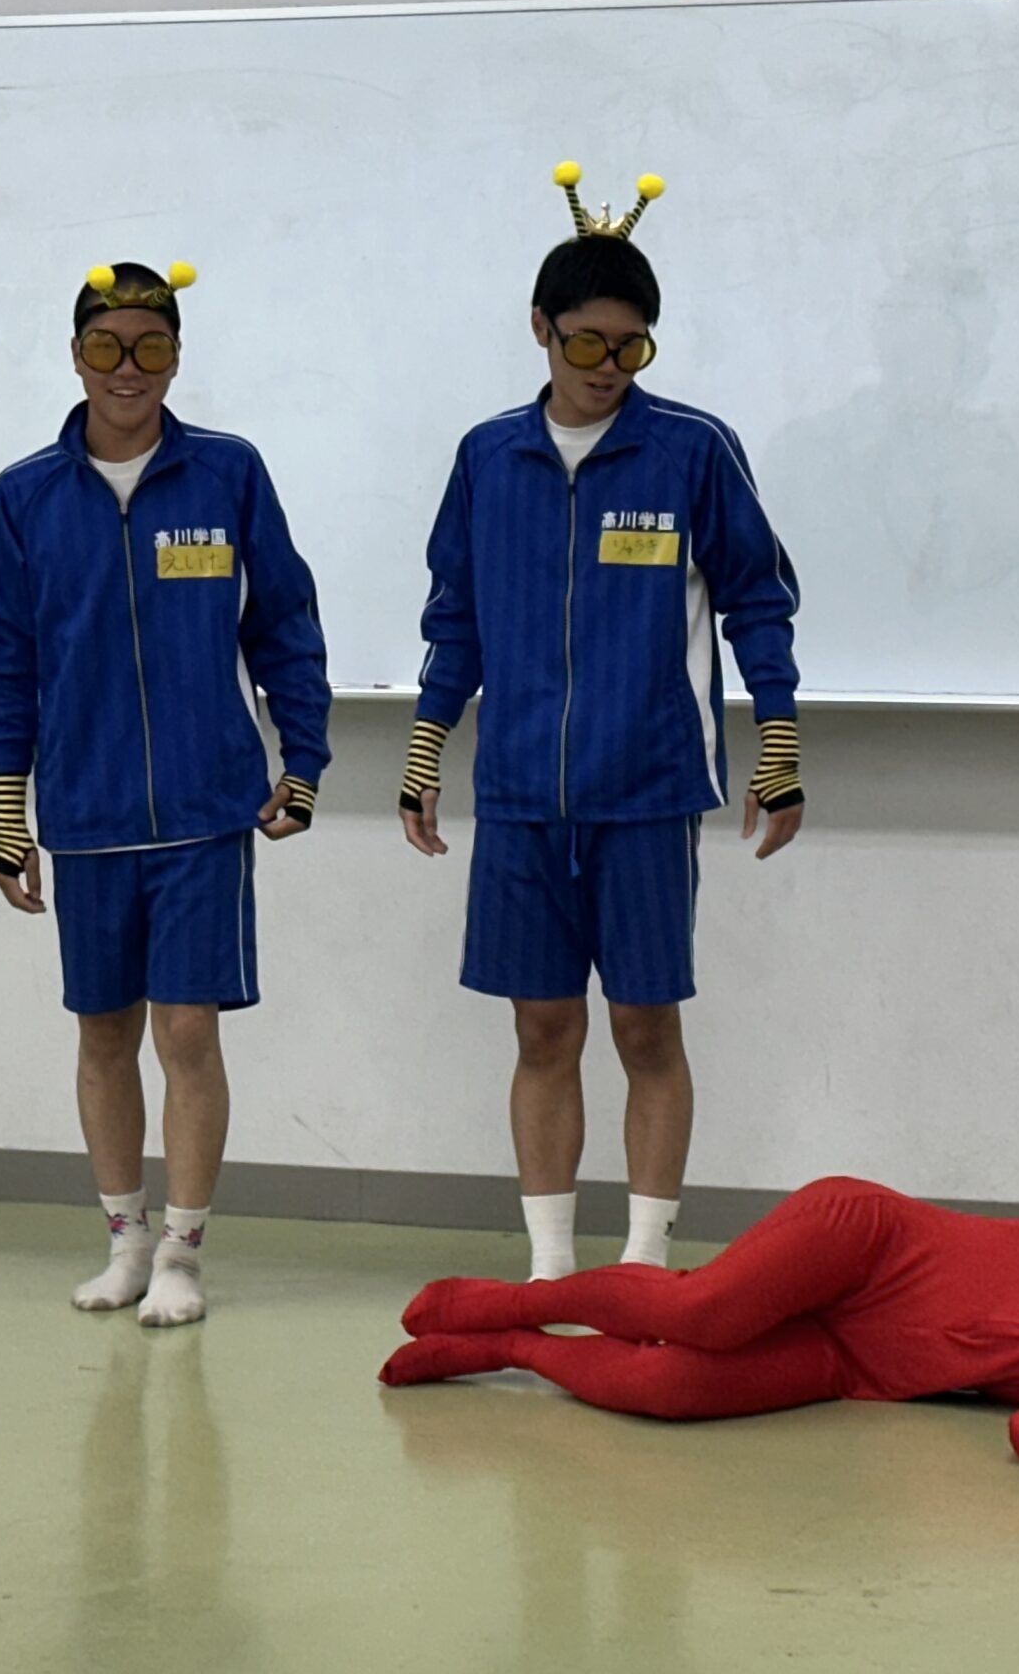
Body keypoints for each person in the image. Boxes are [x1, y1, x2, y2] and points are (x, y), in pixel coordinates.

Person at [399, 164, 807, 1281]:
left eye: (631, 347)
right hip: (521, 793)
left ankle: (642, 1263)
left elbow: (759, 600)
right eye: (586, 341)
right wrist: (427, 747)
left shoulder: (690, 450)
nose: (607, 367)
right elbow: (455, 614)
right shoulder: (489, 456)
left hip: (647, 789)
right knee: (542, 1029)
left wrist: (777, 745)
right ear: (539, 328)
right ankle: (549, 1267)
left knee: (644, 1027)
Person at [0, 260, 331, 1326]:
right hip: (87, 817)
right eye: (107, 347)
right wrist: (8, 819)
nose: (129, 369)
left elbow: (285, 625)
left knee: (188, 1036)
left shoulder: (227, 474)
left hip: (208, 812)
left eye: (151, 347)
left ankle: (182, 1254)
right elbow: (4, 663)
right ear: (75, 356)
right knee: (102, 1035)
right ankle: (124, 1242)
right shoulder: (24, 496)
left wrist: (303, 761)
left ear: (176, 356)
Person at [380, 1176, 1019, 1466]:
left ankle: (508, 1348)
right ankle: (518, 1301)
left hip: (853, 1360)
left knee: (672, 1388)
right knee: (700, 1309)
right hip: (867, 1241)